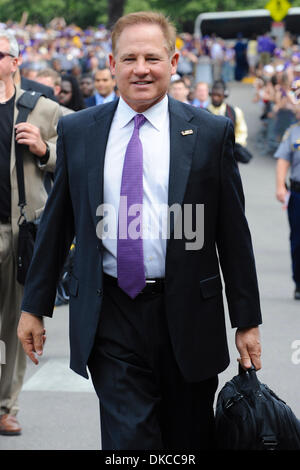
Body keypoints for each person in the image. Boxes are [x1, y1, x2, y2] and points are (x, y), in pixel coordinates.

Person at [18, 11, 262, 450]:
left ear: (174, 61)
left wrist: (247, 322)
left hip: (188, 316)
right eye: (129, 58)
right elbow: (58, 225)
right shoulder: (79, 131)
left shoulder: (209, 133)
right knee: (129, 442)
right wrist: (34, 306)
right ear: (111, 65)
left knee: (186, 443)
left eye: (153, 57)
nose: (141, 68)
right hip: (110, 314)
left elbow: (233, 235)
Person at [0, 31, 62, 435]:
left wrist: (44, 150)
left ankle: (7, 405)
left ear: (14, 62)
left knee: (15, 322)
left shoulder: (42, 109)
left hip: (20, 230)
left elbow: (73, 159)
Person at [274, 105, 300, 300]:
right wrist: (280, 187)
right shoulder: (293, 132)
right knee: (298, 240)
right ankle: (299, 282)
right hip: (298, 193)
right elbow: (283, 160)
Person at [208, 80, 248, 148]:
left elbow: (241, 133)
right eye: (213, 95)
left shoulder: (235, 112)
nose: (215, 98)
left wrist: (234, 145)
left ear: (225, 95)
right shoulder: (203, 111)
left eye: (219, 95)